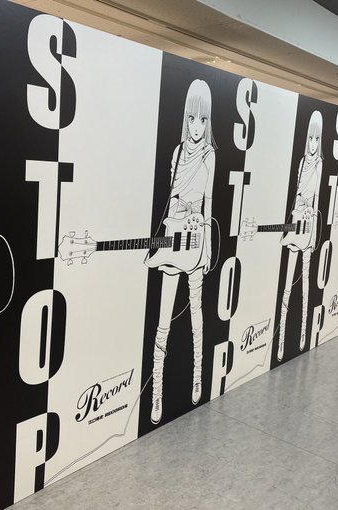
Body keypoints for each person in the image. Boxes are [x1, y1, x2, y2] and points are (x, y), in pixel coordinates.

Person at [146, 79, 215, 425]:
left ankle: (198, 375)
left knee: (196, 313)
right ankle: (156, 392)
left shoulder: (210, 155)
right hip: (175, 236)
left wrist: (208, 244)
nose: (197, 126)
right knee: (163, 320)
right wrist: (174, 221)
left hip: (197, 238)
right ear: (186, 118)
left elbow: (209, 202)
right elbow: (170, 199)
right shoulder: (177, 153)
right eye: (192, 118)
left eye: (202, 119)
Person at [277, 110, 322, 362]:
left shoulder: (319, 164)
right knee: (287, 284)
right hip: (296, 222)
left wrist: (312, 231)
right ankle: (281, 338)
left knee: (305, 284)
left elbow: (317, 200)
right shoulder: (303, 162)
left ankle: (304, 332)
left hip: (309, 224)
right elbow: (296, 195)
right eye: (311, 139)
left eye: (317, 139)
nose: (313, 144)